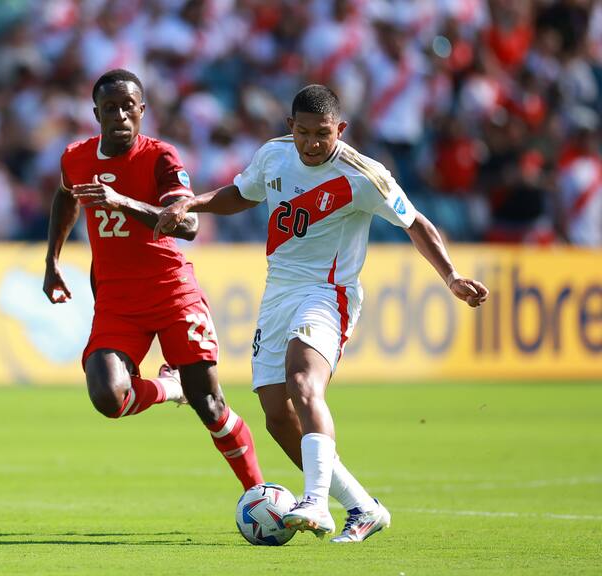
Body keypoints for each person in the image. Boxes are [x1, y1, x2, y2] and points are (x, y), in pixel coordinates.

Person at [155, 84, 489, 542]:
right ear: (290, 126)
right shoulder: (273, 155)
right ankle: (362, 507)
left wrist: (450, 277)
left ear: (341, 129)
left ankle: (315, 501)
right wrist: (194, 201)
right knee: (276, 413)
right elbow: (242, 194)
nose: (313, 143)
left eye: (324, 134)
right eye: (305, 132)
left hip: (329, 292)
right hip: (279, 291)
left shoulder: (363, 175)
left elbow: (415, 222)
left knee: (303, 381)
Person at [42, 68, 263, 491]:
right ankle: (167, 386)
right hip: (116, 299)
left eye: (129, 107)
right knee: (108, 397)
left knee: (210, 404)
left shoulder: (160, 157)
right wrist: (52, 260)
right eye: (111, 108)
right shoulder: (76, 156)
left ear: (142, 110)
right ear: (96, 113)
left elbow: (189, 226)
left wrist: (121, 201)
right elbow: (66, 195)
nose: (121, 115)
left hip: (170, 292)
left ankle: (257, 494)